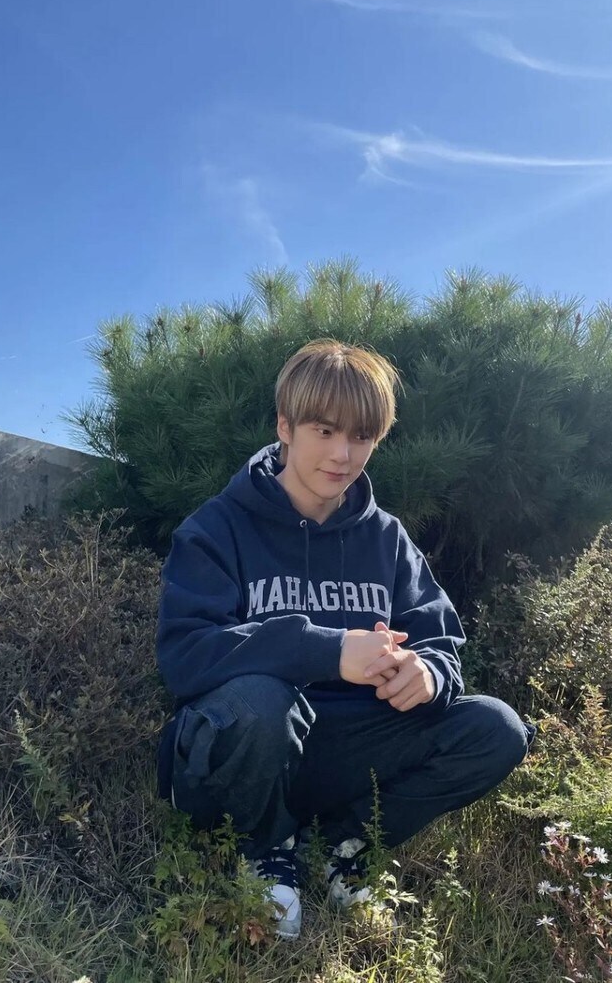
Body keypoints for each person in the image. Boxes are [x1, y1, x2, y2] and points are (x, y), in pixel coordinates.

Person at [156, 339, 535, 939]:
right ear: (285, 426)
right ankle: (264, 848)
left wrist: (427, 674)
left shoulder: (386, 538)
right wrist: (329, 651)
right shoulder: (215, 528)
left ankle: (342, 843)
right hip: (240, 752)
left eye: (361, 436)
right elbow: (186, 655)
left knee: (496, 728)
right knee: (261, 700)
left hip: (344, 747)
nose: (342, 454)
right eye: (324, 430)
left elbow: (439, 641)